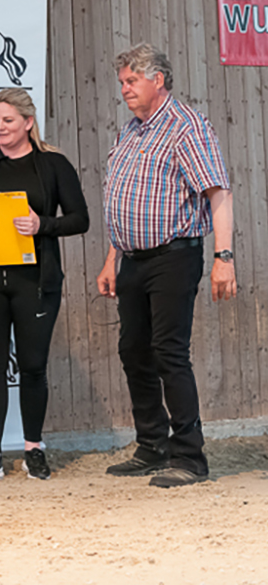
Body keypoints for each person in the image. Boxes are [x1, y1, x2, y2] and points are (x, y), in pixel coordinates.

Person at [96, 43, 234, 488]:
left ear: (158, 80)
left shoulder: (186, 127)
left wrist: (223, 258)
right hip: (131, 259)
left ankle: (190, 457)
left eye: (131, 81)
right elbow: (125, 201)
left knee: (169, 353)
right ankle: (151, 445)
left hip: (174, 255)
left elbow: (219, 194)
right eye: (122, 83)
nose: (125, 90)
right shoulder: (131, 130)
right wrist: (112, 257)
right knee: (133, 350)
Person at [0, 89, 89, 481]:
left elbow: (80, 219)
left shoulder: (53, 165)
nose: (0, 128)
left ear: (28, 122)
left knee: (33, 366)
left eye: (8, 120)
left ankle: (33, 448)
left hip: (35, 281)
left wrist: (44, 224)